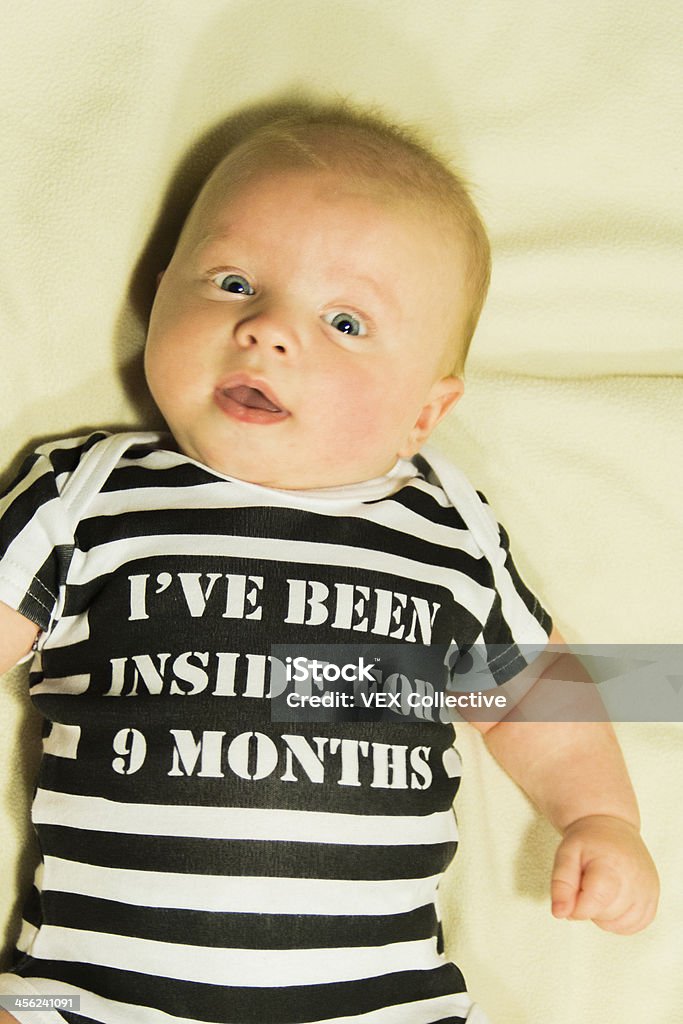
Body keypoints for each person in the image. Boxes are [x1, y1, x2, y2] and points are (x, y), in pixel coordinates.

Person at [0, 104, 658, 1024]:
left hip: (376, 1005)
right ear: (159, 298)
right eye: (232, 282)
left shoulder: (449, 530)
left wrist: (600, 818)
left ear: (426, 412)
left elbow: (533, 691)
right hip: (96, 997)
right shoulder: (88, 492)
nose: (268, 329)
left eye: (345, 321)